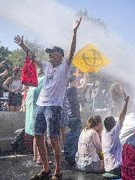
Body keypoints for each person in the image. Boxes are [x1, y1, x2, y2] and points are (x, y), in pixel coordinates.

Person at [14, 17, 82, 180]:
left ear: (60, 56)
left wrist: (74, 31)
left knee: (53, 138)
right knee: (38, 136)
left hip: (54, 106)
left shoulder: (65, 67)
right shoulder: (47, 66)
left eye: (53, 53)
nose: (50, 55)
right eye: (49, 53)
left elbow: (72, 51)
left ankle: (58, 171)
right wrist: (23, 46)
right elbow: (32, 57)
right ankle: (46, 168)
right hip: (40, 105)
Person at [101, 95, 129, 179]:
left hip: (107, 168)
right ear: (113, 125)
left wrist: (102, 163)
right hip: (116, 169)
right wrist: (126, 102)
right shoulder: (114, 133)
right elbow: (122, 116)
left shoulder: (104, 134)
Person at [25, 69, 44, 164]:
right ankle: (40, 158)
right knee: (41, 135)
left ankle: (36, 157)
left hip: (32, 112)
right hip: (39, 111)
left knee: (35, 136)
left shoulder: (33, 83)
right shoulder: (43, 80)